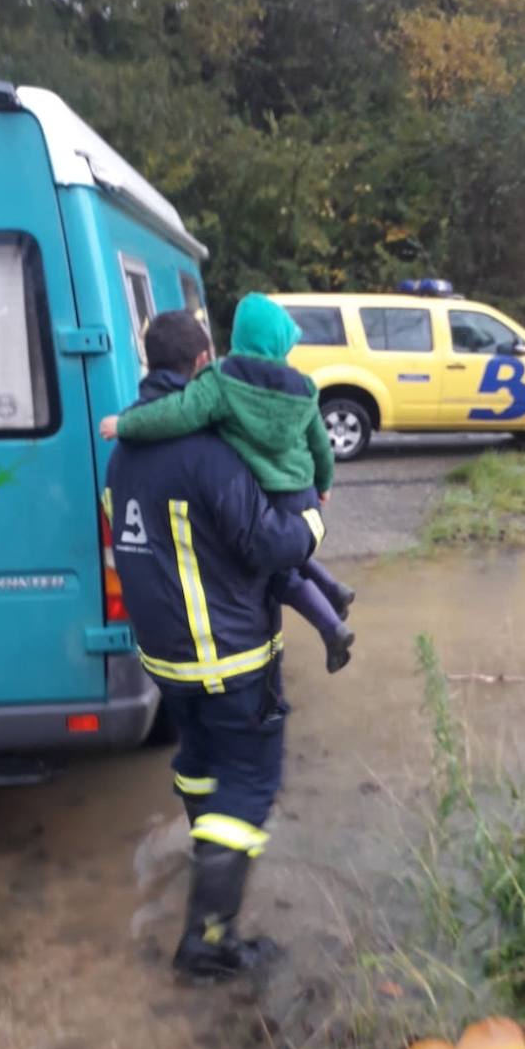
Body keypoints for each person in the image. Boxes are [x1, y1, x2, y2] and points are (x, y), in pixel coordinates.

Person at [104, 310, 325, 979]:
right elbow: (271, 544)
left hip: (165, 660)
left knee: (199, 761)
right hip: (230, 660)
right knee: (251, 784)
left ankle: (204, 848)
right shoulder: (208, 453)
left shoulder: (124, 452)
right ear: (203, 363)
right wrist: (311, 515)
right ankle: (206, 941)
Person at [100, 293, 356, 672]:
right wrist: (325, 483)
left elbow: (177, 413)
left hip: (261, 488)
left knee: (279, 572)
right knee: (294, 547)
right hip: (300, 490)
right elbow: (320, 442)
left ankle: (331, 627)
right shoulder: (303, 389)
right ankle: (333, 591)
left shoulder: (222, 380)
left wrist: (124, 424)